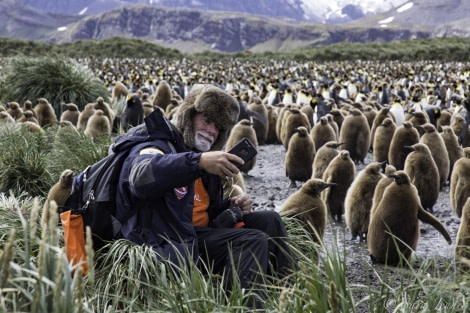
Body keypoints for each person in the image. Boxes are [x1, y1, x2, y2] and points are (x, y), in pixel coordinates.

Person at [114, 83, 294, 307]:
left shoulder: (203, 157)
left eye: (218, 127)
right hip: (166, 241)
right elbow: (140, 177)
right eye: (207, 121)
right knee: (250, 241)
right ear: (189, 116)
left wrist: (230, 207)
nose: (212, 130)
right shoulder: (159, 145)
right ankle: (240, 308)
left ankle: (288, 298)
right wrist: (197, 163)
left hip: (196, 234)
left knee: (270, 220)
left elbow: (197, 207)